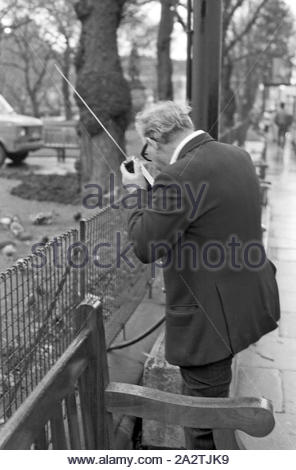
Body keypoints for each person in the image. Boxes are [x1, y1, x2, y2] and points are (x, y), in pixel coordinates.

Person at [120, 101, 280, 450]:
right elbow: (202, 221)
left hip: (209, 323)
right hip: (245, 302)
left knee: (203, 422)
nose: (147, 158)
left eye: (146, 150)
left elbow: (146, 246)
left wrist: (135, 192)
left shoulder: (179, 177)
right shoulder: (235, 155)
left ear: (157, 139)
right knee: (213, 407)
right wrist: (155, 193)